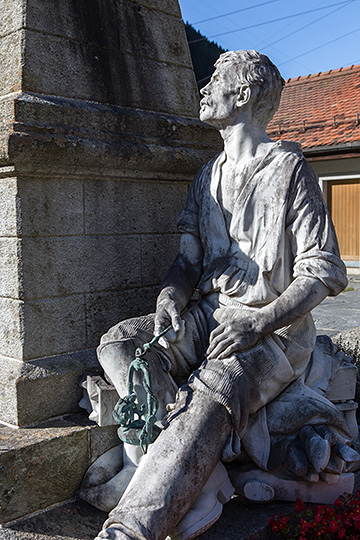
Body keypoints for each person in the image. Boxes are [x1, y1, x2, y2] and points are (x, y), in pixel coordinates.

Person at [91, 50, 350, 540]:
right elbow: (188, 262)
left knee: (217, 385)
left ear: (246, 93)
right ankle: (198, 470)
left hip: (270, 333)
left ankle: (131, 527)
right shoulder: (205, 177)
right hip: (207, 313)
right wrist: (171, 294)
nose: (205, 88)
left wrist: (260, 321)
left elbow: (324, 271)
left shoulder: (290, 168)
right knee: (121, 344)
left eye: (216, 78)